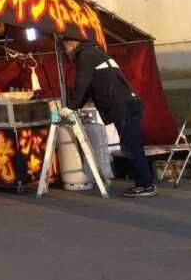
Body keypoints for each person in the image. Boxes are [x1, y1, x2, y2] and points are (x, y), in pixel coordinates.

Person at [62, 38, 156, 197]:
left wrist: (70, 107)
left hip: (122, 106)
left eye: (65, 48)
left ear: (71, 45)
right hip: (128, 104)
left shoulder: (85, 55)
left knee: (131, 146)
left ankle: (145, 185)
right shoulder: (96, 53)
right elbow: (88, 88)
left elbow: (81, 83)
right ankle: (144, 182)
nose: (66, 53)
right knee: (132, 145)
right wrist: (75, 106)